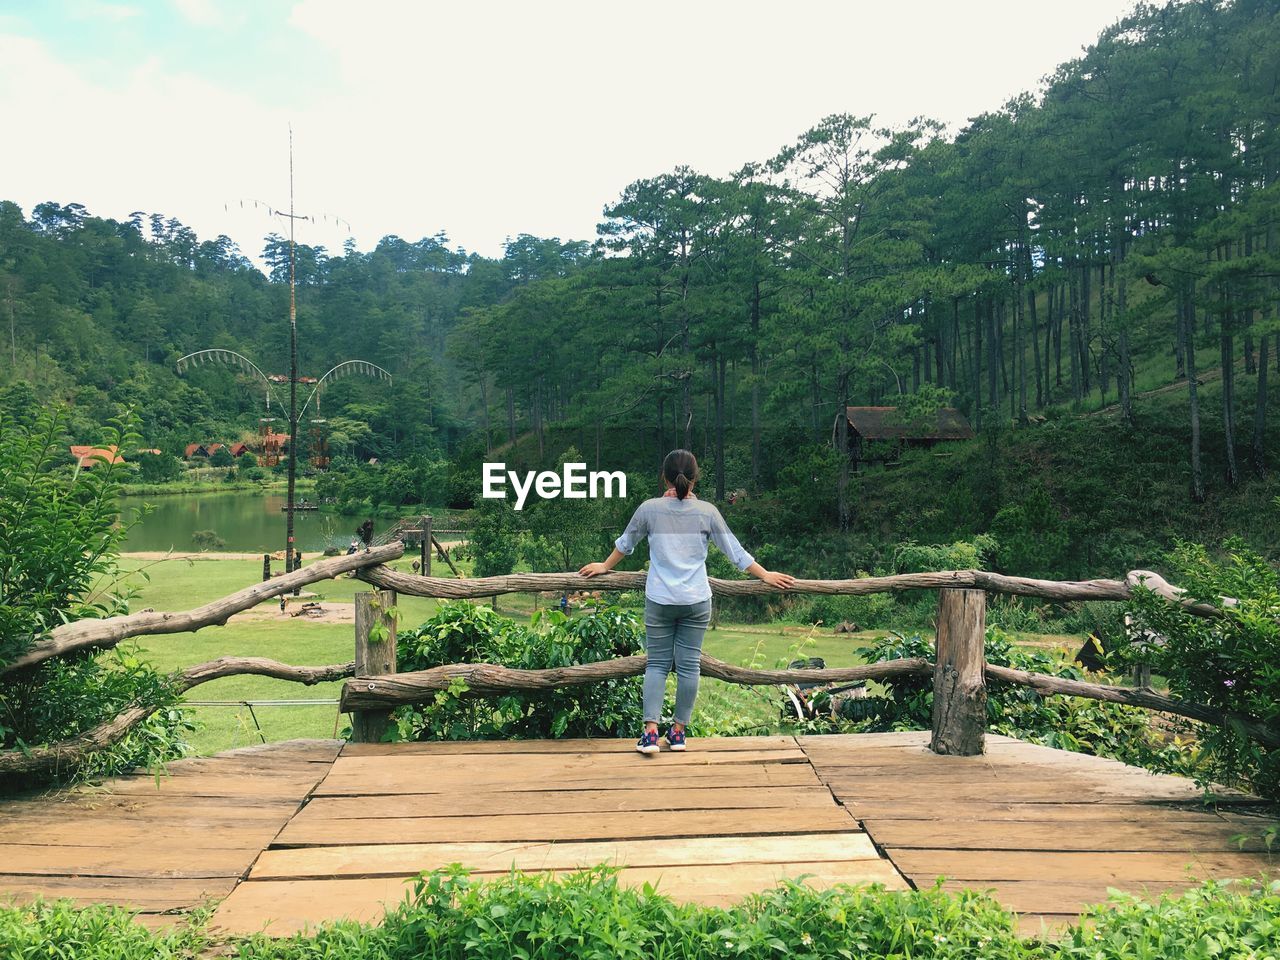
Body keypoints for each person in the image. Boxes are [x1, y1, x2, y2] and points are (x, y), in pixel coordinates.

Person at [579, 449, 794, 755]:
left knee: (656, 665)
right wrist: (765, 574)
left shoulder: (649, 510)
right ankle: (678, 733)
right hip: (696, 600)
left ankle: (651, 734)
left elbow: (625, 546)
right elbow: (736, 552)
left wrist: (604, 566)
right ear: (695, 478)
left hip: (661, 599)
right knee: (689, 667)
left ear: (664, 477)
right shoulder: (707, 512)